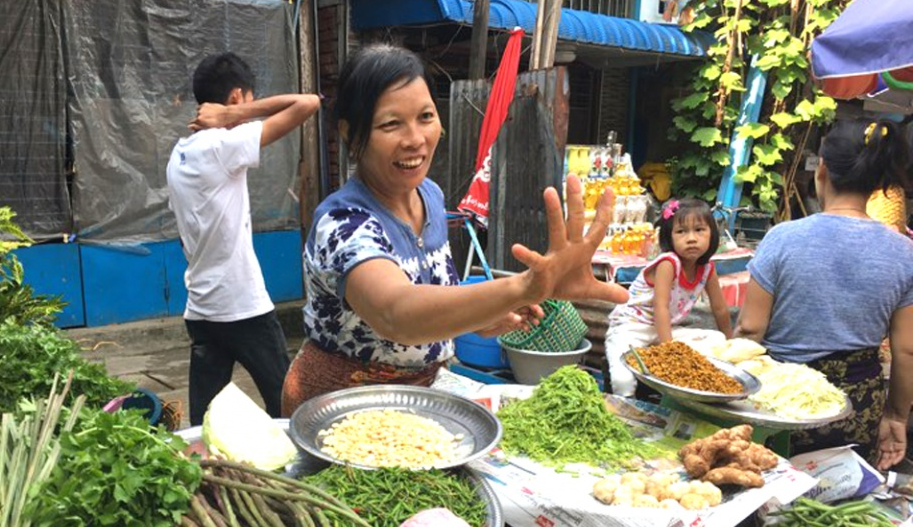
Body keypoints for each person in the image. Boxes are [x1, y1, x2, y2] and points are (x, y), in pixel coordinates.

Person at [281, 44, 629, 416]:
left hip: (419, 400)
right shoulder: (343, 223)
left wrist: (483, 316)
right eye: (390, 123)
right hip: (341, 408)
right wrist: (522, 286)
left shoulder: (429, 195)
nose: (415, 138)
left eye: (425, 116)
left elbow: (431, 298)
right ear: (350, 134)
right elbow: (396, 313)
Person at [736, 119, 913, 471]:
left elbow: (749, 332)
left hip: (780, 407)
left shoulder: (782, 238)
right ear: (878, 183)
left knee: (767, 502)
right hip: (856, 409)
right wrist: (895, 416)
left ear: (823, 171)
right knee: (839, 499)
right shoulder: (903, 252)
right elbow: (906, 348)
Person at [167, 52, 320, 424]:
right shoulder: (220, 145)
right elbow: (309, 103)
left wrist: (229, 116)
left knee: (204, 420)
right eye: (249, 101)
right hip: (242, 308)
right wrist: (232, 117)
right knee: (289, 408)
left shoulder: (180, 152)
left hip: (201, 308)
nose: (252, 109)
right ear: (237, 97)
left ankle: (207, 479)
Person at [604, 198, 733, 397]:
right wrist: (668, 353)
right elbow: (661, 307)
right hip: (632, 327)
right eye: (681, 232)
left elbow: (720, 308)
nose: (691, 238)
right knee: (622, 379)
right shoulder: (669, 263)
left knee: (717, 339)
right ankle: (626, 412)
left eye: (699, 230)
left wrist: (731, 345)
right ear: (669, 237)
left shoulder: (707, 268)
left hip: (664, 329)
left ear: (712, 234)